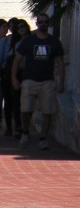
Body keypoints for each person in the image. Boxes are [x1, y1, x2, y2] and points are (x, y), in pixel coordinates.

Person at [12, 12, 66, 150]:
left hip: (47, 81)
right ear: (36, 24)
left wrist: (61, 82)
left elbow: (60, 63)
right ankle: (25, 132)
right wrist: (14, 78)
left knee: (48, 111)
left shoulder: (54, 42)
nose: (43, 24)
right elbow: (17, 59)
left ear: (48, 24)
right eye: (40, 22)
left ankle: (43, 138)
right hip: (29, 80)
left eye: (45, 22)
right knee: (25, 110)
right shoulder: (29, 40)